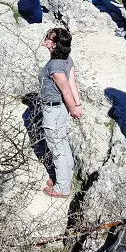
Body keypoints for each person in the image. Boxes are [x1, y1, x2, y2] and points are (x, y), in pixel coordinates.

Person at [39, 27, 82, 198]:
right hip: (60, 109)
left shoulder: (55, 67)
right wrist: (77, 105)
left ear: (55, 45)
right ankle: (65, 178)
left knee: (57, 147)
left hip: (54, 109)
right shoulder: (67, 59)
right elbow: (73, 84)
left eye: (48, 38)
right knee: (62, 144)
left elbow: (66, 90)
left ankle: (62, 188)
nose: (45, 39)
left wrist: (74, 110)